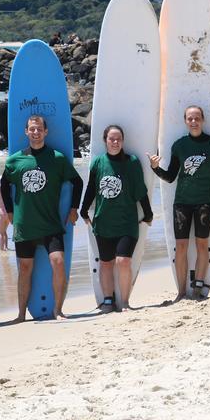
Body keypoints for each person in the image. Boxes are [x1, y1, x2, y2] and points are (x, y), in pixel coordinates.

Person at [0, 115, 84, 320]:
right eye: (32, 129)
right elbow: (5, 185)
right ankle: (20, 315)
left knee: (58, 262)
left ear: (45, 132)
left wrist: (73, 208)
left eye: (39, 129)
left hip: (51, 224)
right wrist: (9, 211)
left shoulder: (57, 158)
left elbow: (77, 182)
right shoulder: (15, 160)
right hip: (25, 225)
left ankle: (58, 310)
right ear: (26, 132)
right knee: (25, 268)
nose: (35, 133)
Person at [150, 105, 210, 301]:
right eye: (190, 119)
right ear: (185, 121)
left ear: (202, 120)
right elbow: (170, 177)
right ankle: (181, 292)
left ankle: (199, 289)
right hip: (182, 203)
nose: (194, 122)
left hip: (204, 203)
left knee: (202, 245)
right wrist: (155, 168)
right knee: (181, 247)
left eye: (197, 118)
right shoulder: (179, 145)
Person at [80, 125, 153, 311]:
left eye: (118, 139)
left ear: (123, 141)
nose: (115, 142)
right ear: (105, 140)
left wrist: (148, 212)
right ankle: (107, 300)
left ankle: (125, 302)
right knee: (105, 262)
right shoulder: (98, 163)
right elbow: (91, 188)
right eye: (111, 139)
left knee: (123, 261)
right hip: (103, 222)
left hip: (127, 222)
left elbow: (140, 190)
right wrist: (83, 209)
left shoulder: (132, 162)